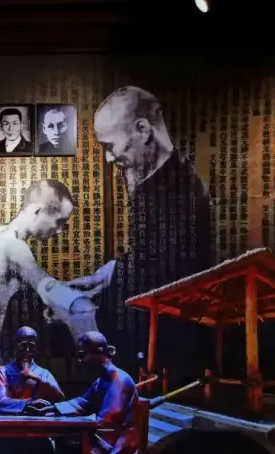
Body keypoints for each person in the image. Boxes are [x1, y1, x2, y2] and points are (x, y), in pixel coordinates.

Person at [95, 86, 212, 369]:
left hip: (166, 346)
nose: (108, 158)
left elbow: (163, 276)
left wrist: (113, 274)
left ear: (143, 130)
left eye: (110, 146)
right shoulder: (149, 178)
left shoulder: (183, 191)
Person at [0, 178, 108, 358]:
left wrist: (80, 289)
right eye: (59, 221)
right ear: (37, 211)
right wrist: (83, 307)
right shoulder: (13, 246)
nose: (59, 230)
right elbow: (48, 288)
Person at [0, 327, 64, 454]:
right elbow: (1, 402)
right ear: (15, 345)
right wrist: (27, 404)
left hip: (37, 435)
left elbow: (59, 397)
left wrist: (39, 380)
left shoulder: (43, 373)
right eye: (23, 345)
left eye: (31, 346)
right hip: (6, 436)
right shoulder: (2, 372)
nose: (27, 350)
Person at [54, 332, 138, 454]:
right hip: (102, 440)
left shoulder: (119, 380)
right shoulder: (102, 380)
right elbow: (82, 402)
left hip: (115, 448)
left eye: (83, 355)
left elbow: (108, 421)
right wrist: (52, 408)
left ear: (99, 352)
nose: (80, 361)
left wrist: (79, 429)